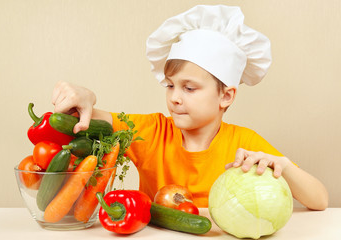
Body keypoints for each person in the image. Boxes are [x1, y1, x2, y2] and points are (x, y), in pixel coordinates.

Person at [52, 5, 328, 209]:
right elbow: (83, 116)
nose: (174, 98)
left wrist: (283, 167)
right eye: (170, 85)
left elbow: (320, 200)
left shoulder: (244, 143)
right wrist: (86, 97)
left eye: (189, 88)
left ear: (226, 97)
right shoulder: (152, 132)